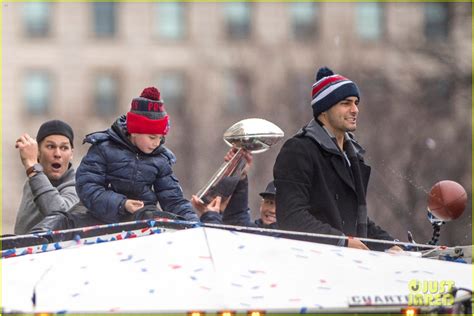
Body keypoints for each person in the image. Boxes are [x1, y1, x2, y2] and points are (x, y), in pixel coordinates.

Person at [273, 66, 402, 251]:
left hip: (349, 267)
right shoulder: (298, 150)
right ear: (324, 109)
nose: (355, 109)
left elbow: (357, 219)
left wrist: (391, 246)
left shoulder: (354, 156)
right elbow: (292, 217)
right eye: (346, 103)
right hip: (312, 265)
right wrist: (341, 242)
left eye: (356, 102)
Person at [74, 86, 200, 225]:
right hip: (100, 218)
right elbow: (87, 187)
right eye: (152, 137)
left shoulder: (161, 159)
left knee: (155, 216)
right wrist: (122, 204)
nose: (156, 143)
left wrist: (193, 222)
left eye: (160, 138)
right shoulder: (103, 148)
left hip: (142, 221)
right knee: (64, 219)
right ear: (134, 131)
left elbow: (173, 199)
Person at [14, 120, 78, 234]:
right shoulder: (32, 181)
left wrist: (33, 168)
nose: (57, 153)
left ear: (71, 154)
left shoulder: (79, 187)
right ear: (38, 151)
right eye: (50, 146)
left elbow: (60, 218)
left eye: (64, 148)